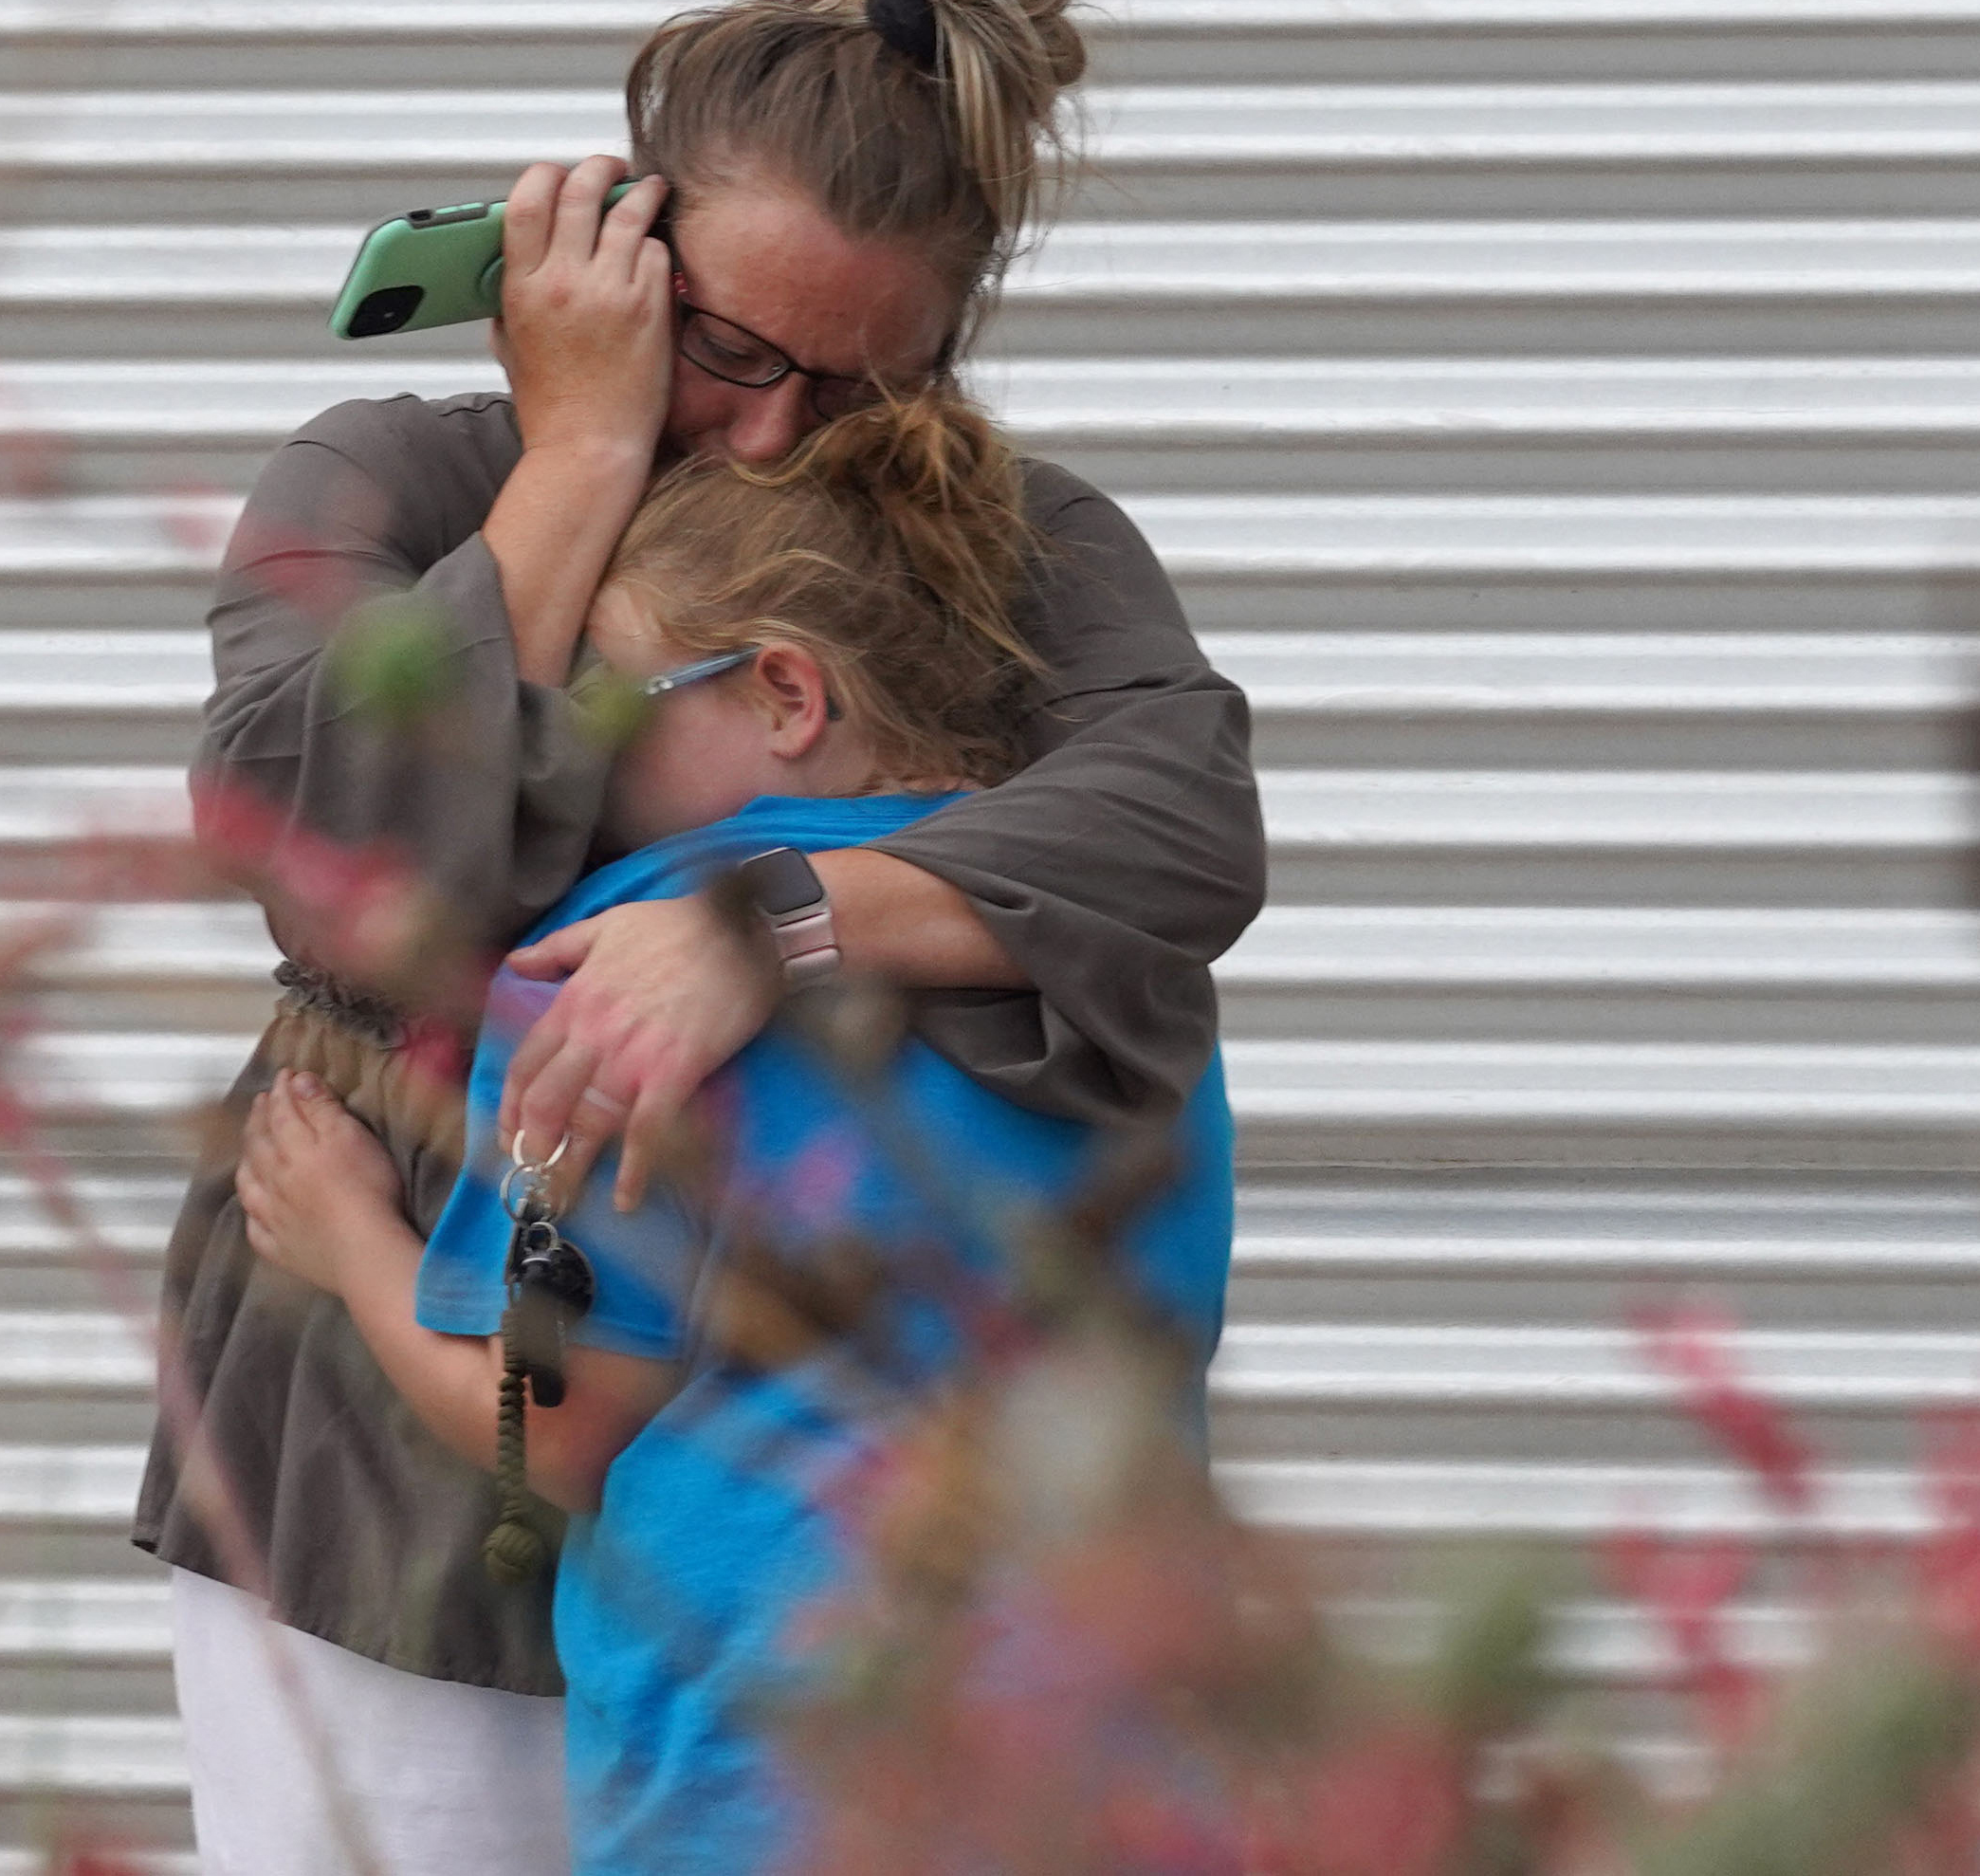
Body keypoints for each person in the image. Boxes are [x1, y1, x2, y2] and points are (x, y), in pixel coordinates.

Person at [135, 0, 1265, 1874]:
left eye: (861, 388)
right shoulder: (391, 480)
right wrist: (574, 464)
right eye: (729, 349)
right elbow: (323, 857)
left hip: (816, 1537)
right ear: (619, 248)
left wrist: (775, 922)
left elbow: (1179, 811)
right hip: (403, 1473)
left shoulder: (1007, 545)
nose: (764, 443)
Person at [233, 404, 1237, 1875]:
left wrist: (352, 1241)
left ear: (783, 692)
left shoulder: (614, 963)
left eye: (612, 708)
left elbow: (559, 1426)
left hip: (768, 1790)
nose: (572, 765)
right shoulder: (1118, 955)